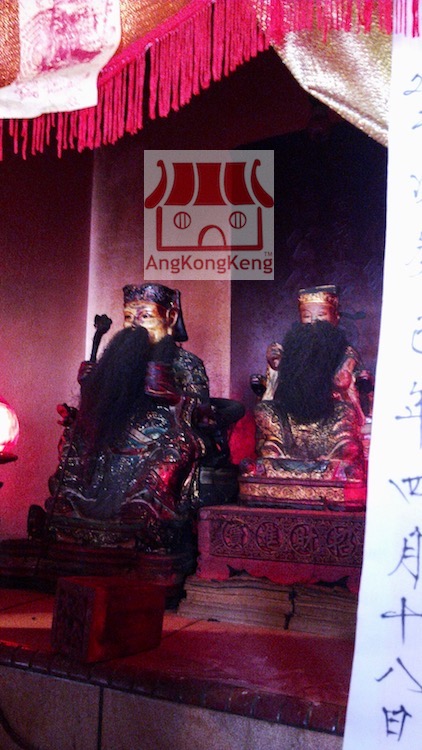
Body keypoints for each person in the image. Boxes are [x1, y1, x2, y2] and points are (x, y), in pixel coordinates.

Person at [44, 326, 203, 551]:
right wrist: (91, 387)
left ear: (169, 316)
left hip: (150, 455)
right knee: (75, 436)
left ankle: (144, 503)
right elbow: (96, 414)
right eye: (129, 315)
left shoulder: (184, 363)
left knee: (179, 446)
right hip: (105, 460)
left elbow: (200, 412)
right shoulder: (113, 373)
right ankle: (70, 499)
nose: (136, 321)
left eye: (145, 315)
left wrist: (170, 392)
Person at [245, 285, 370, 483]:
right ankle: (275, 452)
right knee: (264, 410)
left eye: (321, 316)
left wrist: (342, 378)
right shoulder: (290, 350)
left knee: (345, 413)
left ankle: (336, 460)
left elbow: (347, 382)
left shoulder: (346, 353)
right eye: (307, 317)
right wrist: (277, 364)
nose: (313, 322)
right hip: (291, 418)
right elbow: (275, 386)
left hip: (330, 419)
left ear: (335, 318)